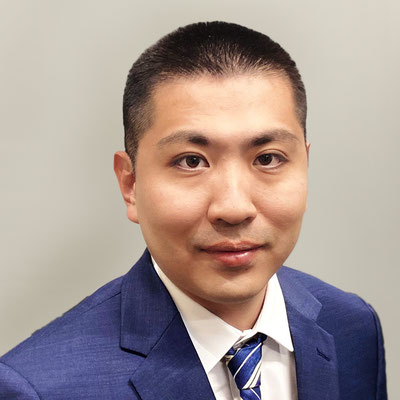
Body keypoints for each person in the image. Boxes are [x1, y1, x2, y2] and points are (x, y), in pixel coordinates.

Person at [0, 21, 387, 400]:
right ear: (130, 184)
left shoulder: (353, 327)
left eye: (268, 158)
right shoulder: (40, 388)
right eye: (191, 161)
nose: (233, 208)